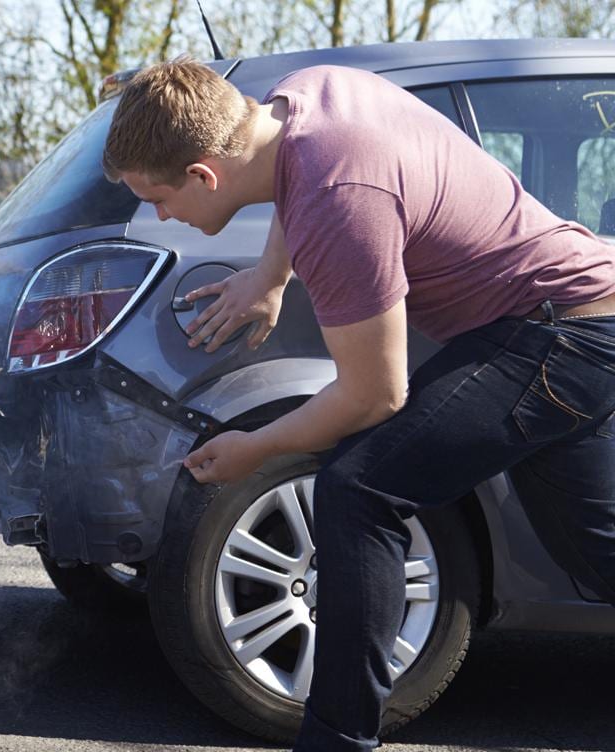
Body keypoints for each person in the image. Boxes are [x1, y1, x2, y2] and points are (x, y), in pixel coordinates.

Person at [103, 58, 615, 750]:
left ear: (204, 175)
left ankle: (337, 740)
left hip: (560, 335)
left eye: (157, 199)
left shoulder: (339, 196)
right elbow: (296, 177)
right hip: (570, 319)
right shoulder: (303, 98)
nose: (162, 215)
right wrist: (269, 274)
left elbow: (375, 396)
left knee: (359, 486)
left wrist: (255, 450)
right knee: (596, 553)